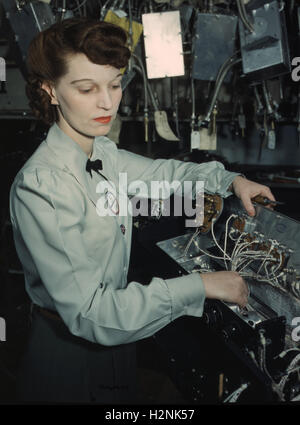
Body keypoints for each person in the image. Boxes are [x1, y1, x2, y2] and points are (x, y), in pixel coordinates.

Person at [9, 17, 275, 403]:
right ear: (50, 91)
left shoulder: (102, 153)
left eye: (115, 84)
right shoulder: (42, 185)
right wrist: (201, 285)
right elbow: (88, 314)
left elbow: (162, 174)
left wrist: (229, 180)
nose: (107, 102)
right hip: (68, 356)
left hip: (119, 344)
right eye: (87, 88)